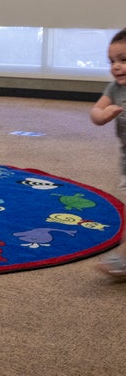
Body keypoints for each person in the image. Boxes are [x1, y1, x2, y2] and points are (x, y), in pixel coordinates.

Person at [90, 28, 126, 278]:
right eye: (112, 61)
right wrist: (105, 114)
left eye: (124, 60)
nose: (116, 67)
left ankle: (122, 260)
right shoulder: (114, 88)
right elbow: (95, 113)